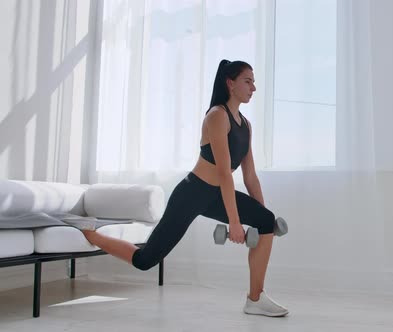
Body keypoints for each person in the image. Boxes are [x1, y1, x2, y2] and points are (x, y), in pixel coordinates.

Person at [80, 59, 289, 317]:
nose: (253, 87)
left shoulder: (245, 125)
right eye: (248, 81)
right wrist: (235, 224)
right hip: (192, 193)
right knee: (146, 260)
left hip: (215, 195)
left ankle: (255, 299)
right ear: (230, 83)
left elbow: (250, 177)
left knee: (266, 220)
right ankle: (92, 234)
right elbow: (224, 172)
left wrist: (260, 215)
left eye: (254, 82)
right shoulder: (217, 116)